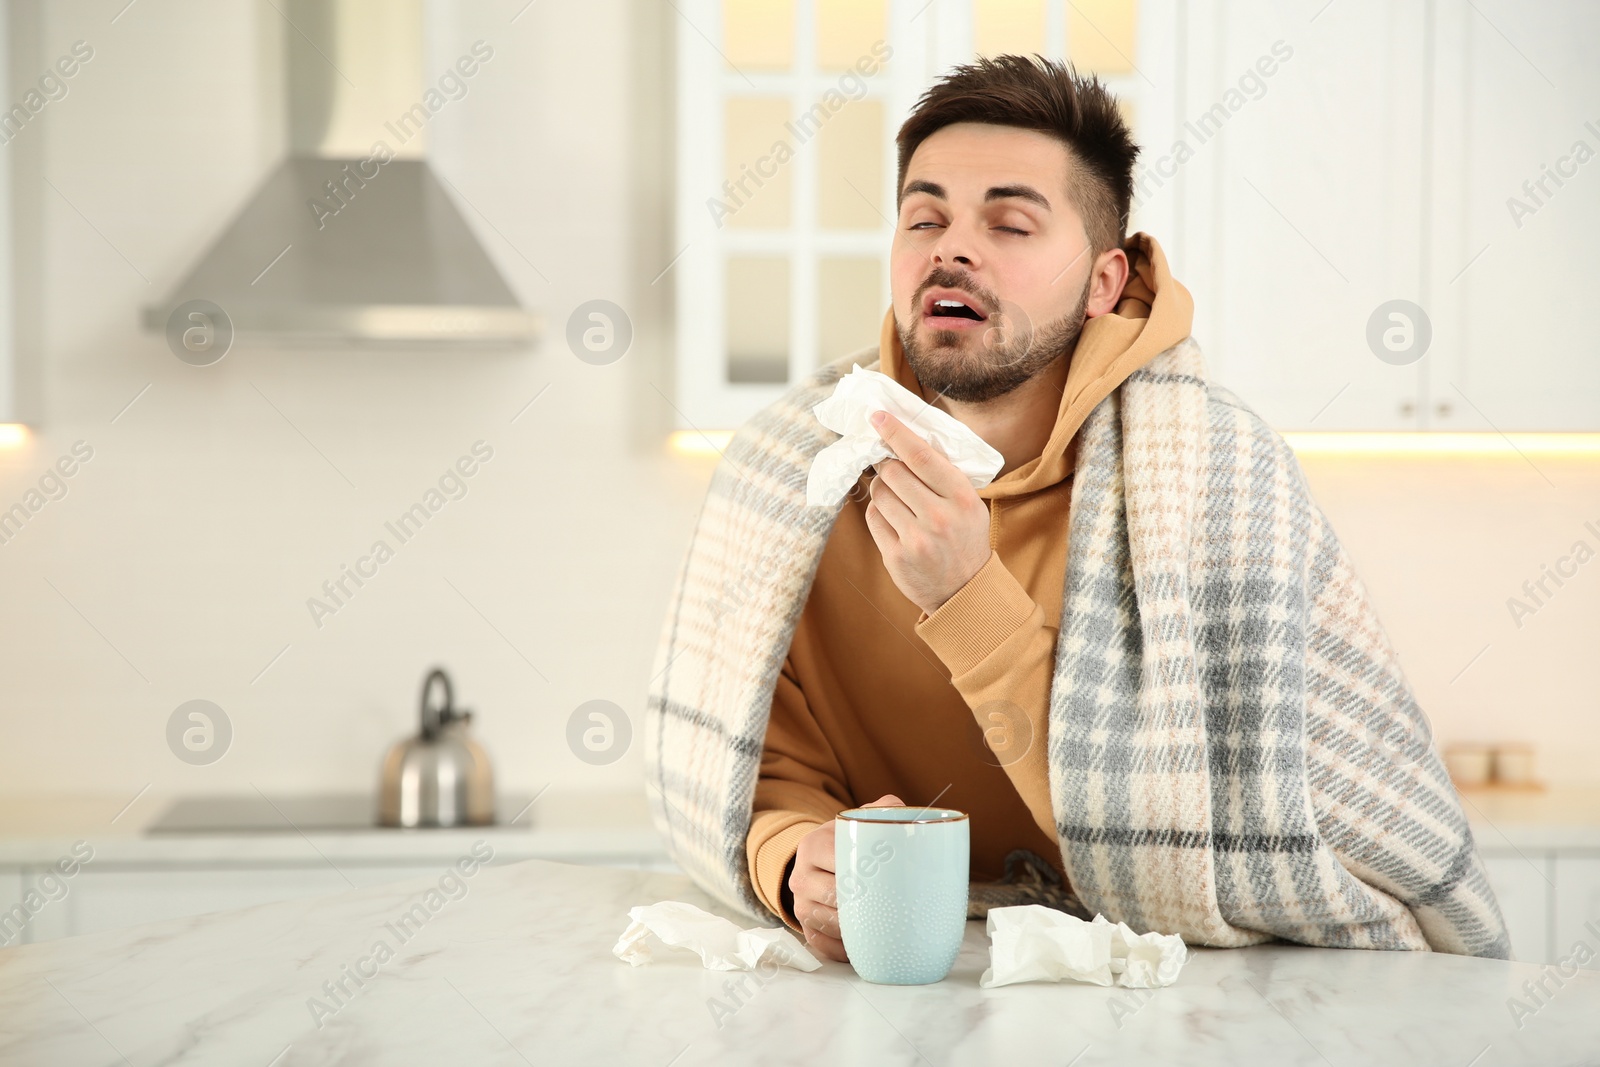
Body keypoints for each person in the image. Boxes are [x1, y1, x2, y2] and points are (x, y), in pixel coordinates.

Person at [644, 54, 1510, 965]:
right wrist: (795, 860)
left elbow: (1234, 826)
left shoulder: (1217, 473)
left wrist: (967, 594)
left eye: (1010, 223)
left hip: (1184, 992)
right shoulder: (792, 471)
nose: (952, 248)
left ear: (1103, 282)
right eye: (923, 217)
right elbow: (755, 766)